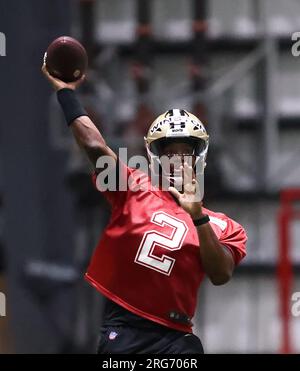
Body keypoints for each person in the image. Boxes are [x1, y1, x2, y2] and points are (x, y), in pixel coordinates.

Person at [42, 64, 247, 354]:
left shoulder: (223, 225)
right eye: (169, 152)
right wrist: (65, 93)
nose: (177, 159)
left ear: (198, 156)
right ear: (155, 156)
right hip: (125, 329)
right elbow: (94, 146)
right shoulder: (132, 188)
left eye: (185, 151)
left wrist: (197, 216)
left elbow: (221, 273)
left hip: (177, 336)